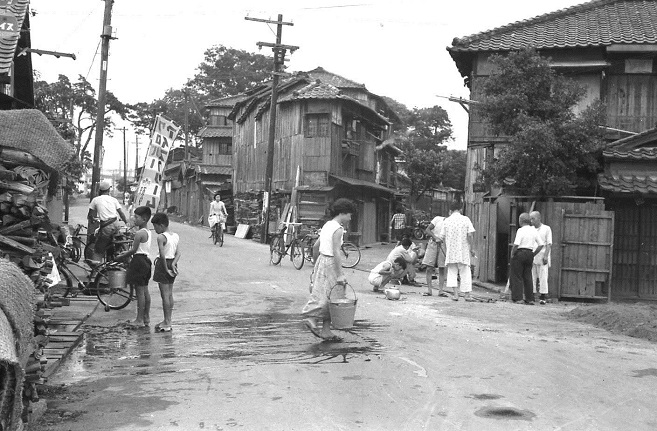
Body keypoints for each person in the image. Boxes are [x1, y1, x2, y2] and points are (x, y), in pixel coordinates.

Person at [302, 198, 356, 342]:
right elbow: (336, 252)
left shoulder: (327, 225)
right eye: (349, 215)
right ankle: (312, 318)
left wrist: (315, 266)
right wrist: (340, 274)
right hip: (331, 262)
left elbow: (315, 247)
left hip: (321, 260)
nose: (350, 218)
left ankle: (326, 330)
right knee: (334, 296)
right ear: (343, 213)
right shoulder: (338, 229)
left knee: (324, 293)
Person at [115, 206, 152, 328]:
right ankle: (146, 317)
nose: (134, 219)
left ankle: (139, 319)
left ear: (144, 219)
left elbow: (133, 250)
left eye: (136, 217)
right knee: (145, 291)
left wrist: (120, 257)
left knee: (139, 292)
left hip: (138, 261)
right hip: (146, 261)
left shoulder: (139, 233)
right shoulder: (147, 232)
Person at [440, 201, 476, 301]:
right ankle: (467, 295)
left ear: (451, 210)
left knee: (452, 273)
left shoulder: (447, 221)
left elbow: (441, 237)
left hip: (451, 252)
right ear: (460, 209)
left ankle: (455, 295)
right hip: (463, 252)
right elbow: (470, 235)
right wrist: (472, 249)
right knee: (465, 273)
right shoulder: (465, 219)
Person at [151, 212, 181, 332]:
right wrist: (173, 264)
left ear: (161, 225)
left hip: (163, 264)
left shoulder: (161, 237)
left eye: (156, 227)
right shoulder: (175, 236)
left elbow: (162, 255)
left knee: (164, 295)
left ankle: (167, 322)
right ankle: (168, 320)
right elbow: (178, 253)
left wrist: (165, 269)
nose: (155, 229)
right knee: (169, 293)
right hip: (173, 262)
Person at [88, 181, 128, 262]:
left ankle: (97, 269)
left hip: (106, 227)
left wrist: (92, 220)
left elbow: (90, 215)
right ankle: (114, 256)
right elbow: (121, 213)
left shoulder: (95, 200)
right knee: (113, 243)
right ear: (109, 190)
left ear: (99, 190)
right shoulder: (114, 200)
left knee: (98, 250)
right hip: (116, 224)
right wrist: (126, 223)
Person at [510, 212, 544, 305]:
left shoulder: (521, 230)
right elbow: (541, 245)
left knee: (517, 276)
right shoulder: (534, 231)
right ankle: (530, 299)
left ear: (521, 221)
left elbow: (516, 244)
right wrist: (533, 254)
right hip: (529, 253)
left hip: (520, 252)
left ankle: (518, 298)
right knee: (528, 276)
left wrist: (512, 253)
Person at [422, 213, 447, 297]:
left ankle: (441, 291)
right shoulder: (437, 219)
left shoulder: (451, 223)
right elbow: (428, 230)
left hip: (444, 244)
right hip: (433, 243)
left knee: (442, 267)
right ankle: (429, 290)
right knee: (429, 267)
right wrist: (435, 237)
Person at [530, 211, 552, 305]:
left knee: (543, 276)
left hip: (542, 255)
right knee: (532, 275)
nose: (531, 221)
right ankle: (532, 295)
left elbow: (549, 243)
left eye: (533, 219)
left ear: (539, 219)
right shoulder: (530, 229)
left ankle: (543, 296)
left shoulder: (546, 229)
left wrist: (546, 256)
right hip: (532, 254)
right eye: (530, 219)